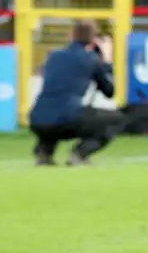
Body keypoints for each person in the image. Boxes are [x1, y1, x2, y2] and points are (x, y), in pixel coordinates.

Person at [28, 21, 124, 166]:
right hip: (66, 119)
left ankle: (44, 152)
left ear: (71, 36)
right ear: (93, 40)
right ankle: (80, 153)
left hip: (36, 119)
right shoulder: (91, 60)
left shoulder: (53, 56)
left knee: (55, 113)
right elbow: (109, 91)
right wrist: (107, 60)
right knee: (116, 119)